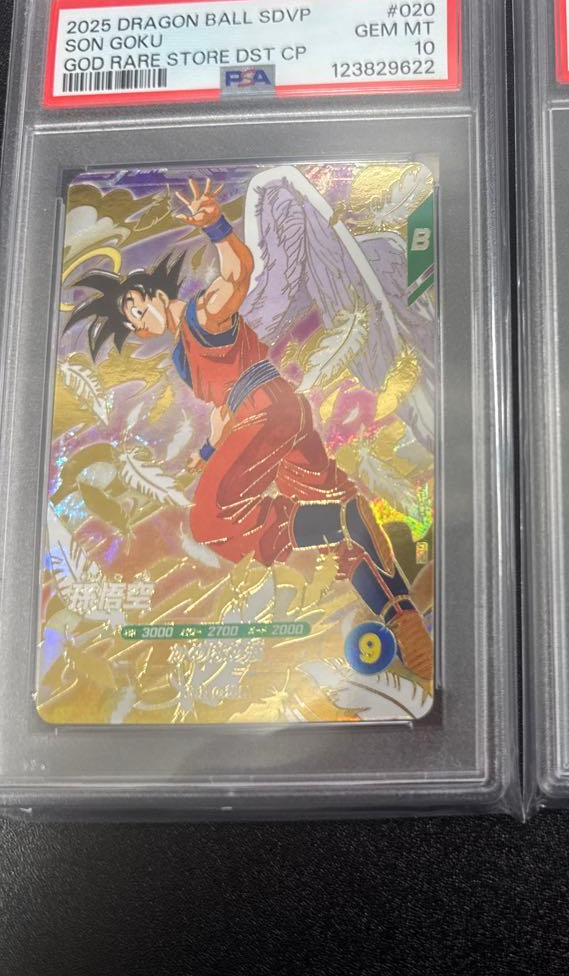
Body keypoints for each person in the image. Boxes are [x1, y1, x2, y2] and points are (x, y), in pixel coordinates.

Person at [65, 179, 434, 681]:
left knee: (212, 520)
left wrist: (216, 225)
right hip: (278, 416)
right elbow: (222, 414)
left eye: (135, 308)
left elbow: (237, 275)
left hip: (264, 413)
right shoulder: (184, 351)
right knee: (340, 538)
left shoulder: (201, 313)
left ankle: (339, 520)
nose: (137, 322)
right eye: (130, 324)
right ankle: (403, 619)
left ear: (152, 293)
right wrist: (208, 451)